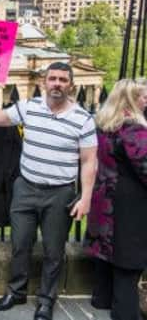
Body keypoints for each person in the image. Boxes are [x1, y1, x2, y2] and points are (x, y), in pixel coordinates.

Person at [0, 61, 97, 320]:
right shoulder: (29, 107)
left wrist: (85, 198)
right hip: (25, 188)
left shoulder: (83, 119)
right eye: (52, 79)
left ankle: (46, 300)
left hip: (59, 194)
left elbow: (89, 162)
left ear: (70, 84)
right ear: (43, 82)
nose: (57, 83)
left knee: (53, 251)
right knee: (20, 244)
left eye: (62, 79)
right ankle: (16, 292)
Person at [83, 79, 147, 320]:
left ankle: (102, 299)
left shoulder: (102, 124)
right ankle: (125, 313)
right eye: (143, 97)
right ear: (130, 99)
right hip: (128, 203)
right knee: (128, 260)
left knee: (106, 252)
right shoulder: (133, 129)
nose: (146, 101)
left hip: (103, 195)